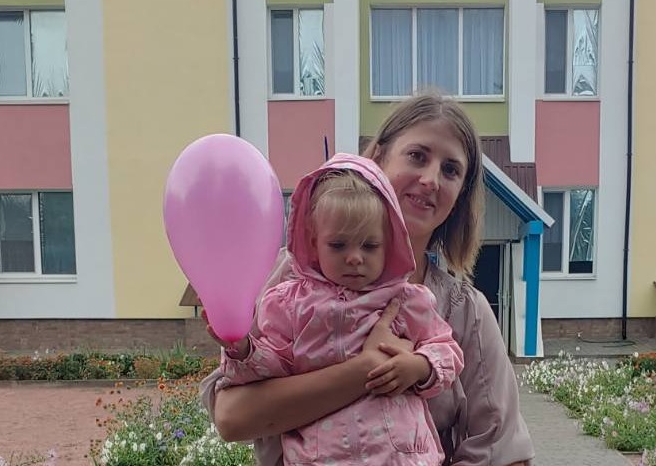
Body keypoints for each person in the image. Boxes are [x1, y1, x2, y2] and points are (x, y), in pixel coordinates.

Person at [200, 92, 535, 466]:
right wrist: (364, 369)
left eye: (451, 170)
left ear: (460, 195)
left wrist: (419, 367)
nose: (431, 179)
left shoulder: (464, 311)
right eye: (417, 156)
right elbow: (232, 417)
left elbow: (505, 452)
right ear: (377, 159)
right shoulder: (290, 280)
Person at [215, 154, 464, 465]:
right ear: (313, 243)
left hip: (399, 457)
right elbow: (274, 365)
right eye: (338, 245)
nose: (355, 258)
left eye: (369, 246)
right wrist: (243, 350)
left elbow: (446, 349)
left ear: (390, 244)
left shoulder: (403, 300)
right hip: (323, 456)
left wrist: (419, 366)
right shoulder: (289, 304)